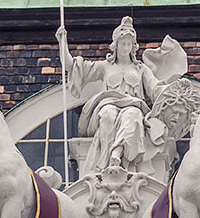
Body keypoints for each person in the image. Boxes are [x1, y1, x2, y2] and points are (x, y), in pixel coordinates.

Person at [57, 16, 168, 173]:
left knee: (132, 115)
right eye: (122, 44)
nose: (125, 47)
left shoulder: (141, 69)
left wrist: (168, 92)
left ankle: (117, 154)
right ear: (115, 46)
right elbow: (73, 66)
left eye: (129, 44)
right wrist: (62, 42)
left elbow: (155, 88)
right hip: (109, 104)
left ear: (133, 47)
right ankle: (105, 161)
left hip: (133, 105)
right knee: (107, 114)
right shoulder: (105, 67)